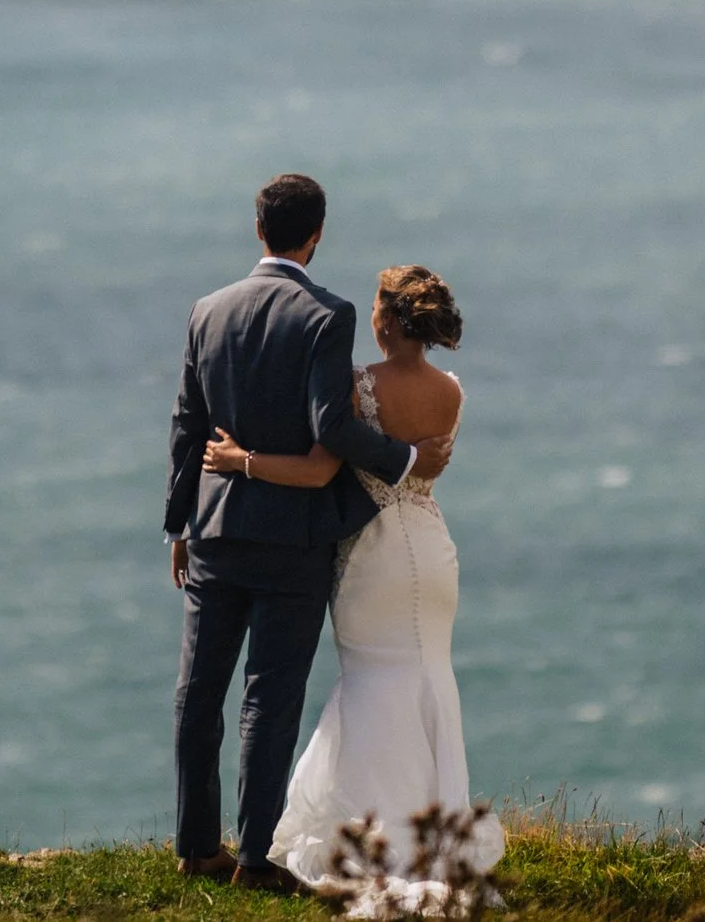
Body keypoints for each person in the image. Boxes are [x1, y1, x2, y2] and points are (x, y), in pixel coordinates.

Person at [165, 175, 454, 893]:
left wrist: (178, 521)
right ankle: (255, 858)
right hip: (292, 540)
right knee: (270, 694)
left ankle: (198, 847)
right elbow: (332, 427)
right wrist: (410, 461)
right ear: (316, 233)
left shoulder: (208, 309)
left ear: (257, 227)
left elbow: (186, 425)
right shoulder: (328, 312)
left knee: (198, 693)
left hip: (212, 530)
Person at [202, 262, 506, 909]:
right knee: (428, 677)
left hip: (373, 554)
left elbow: (317, 472)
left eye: (375, 306)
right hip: (432, 549)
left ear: (389, 320)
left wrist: (240, 461)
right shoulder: (450, 389)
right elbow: (423, 470)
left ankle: (376, 834)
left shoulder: (357, 384)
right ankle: (434, 831)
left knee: (371, 681)